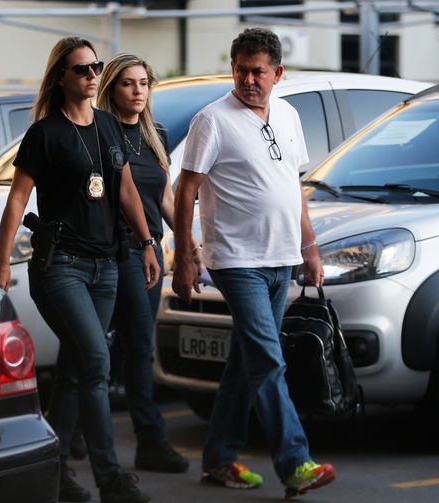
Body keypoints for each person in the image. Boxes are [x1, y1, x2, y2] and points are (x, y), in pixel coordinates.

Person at [0, 37, 158, 503]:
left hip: (105, 267)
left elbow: (125, 191)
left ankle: (54, 470)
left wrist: (146, 243)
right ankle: (111, 478)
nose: (90, 76)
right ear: (61, 77)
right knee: (97, 362)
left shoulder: (106, 125)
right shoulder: (45, 134)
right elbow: (17, 199)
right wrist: (2, 261)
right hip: (60, 266)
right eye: (81, 69)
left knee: (76, 369)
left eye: (94, 67)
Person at [172, 27, 336, 498]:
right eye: (241, 70)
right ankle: (295, 463)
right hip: (236, 259)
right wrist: (186, 255)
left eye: (257, 71)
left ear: (277, 73)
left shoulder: (288, 114)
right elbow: (185, 191)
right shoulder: (213, 120)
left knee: (245, 363)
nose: (248, 80)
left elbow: (294, 188)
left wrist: (310, 248)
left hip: (281, 256)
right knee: (267, 359)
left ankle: (219, 459)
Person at [96, 53, 197, 474]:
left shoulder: (155, 134)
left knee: (135, 346)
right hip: (111, 252)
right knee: (106, 347)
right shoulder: (99, 132)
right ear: (111, 90)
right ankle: (138, 438)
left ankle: (141, 441)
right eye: (127, 84)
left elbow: (167, 198)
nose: (138, 92)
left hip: (149, 253)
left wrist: (189, 245)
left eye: (143, 84)